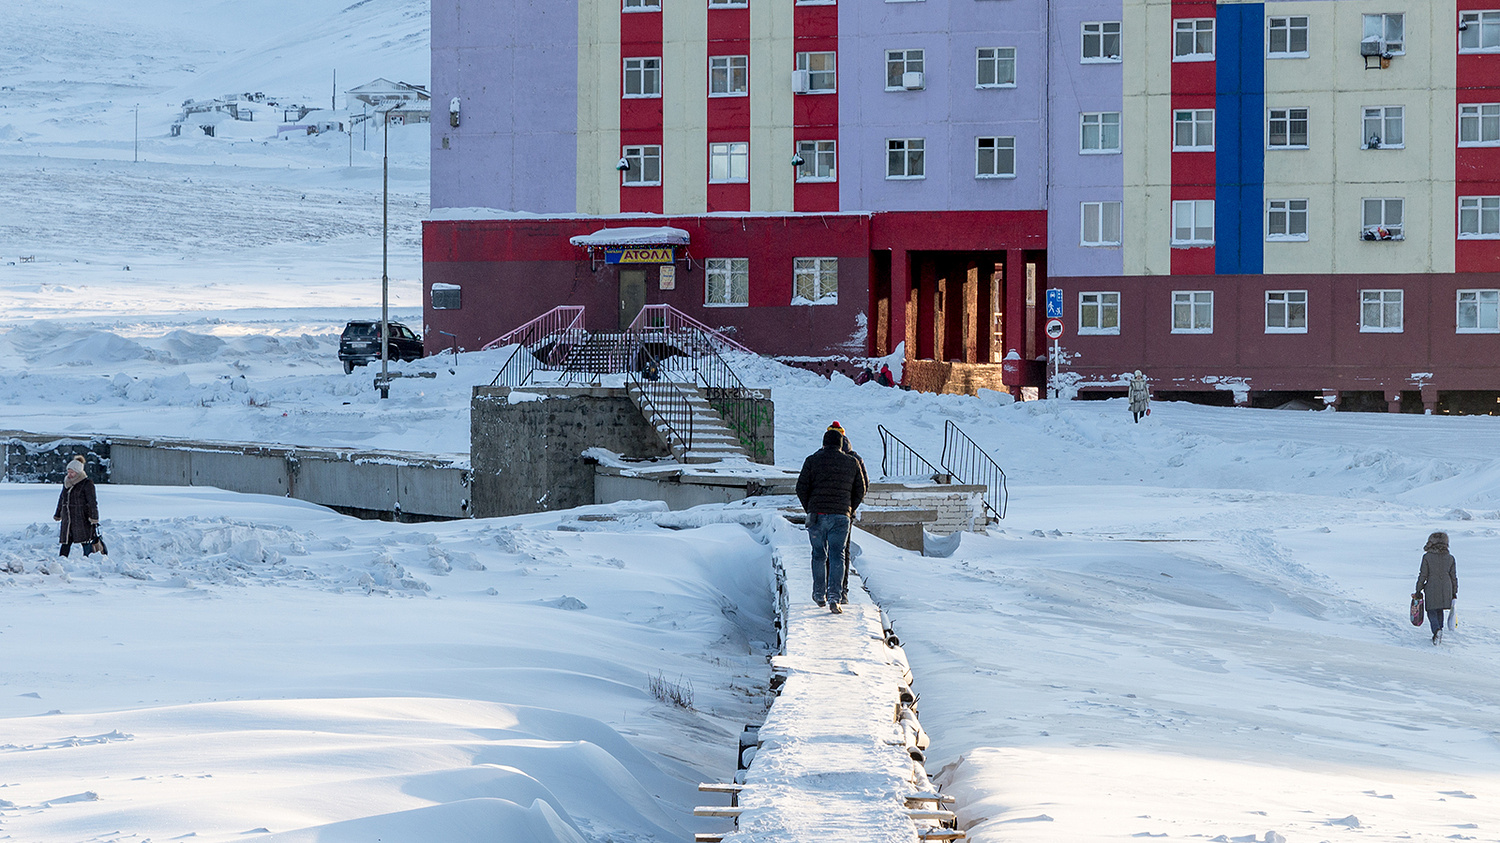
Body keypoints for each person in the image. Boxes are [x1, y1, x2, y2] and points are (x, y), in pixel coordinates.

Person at [796, 427, 867, 614]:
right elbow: (861, 489)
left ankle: (819, 594)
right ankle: (835, 598)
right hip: (841, 517)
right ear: (840, 444)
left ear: (824, 443)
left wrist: (810, 507)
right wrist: (849, 509)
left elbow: (801, 487)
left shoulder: (812, 460)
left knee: (818, 554)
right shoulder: (852, 462)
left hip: (817, 515)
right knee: (838, 555)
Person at [826, 421, 868, 603]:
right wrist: (851, 506)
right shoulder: (855, 458)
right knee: (843, 551)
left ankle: (831, 589)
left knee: (827, 551)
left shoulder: (824, 456)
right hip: (845, 513)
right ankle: (842, 590)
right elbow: (863, 486)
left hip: (826, 511)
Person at [1414, 531, 1458, 644]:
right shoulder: (1450, 558)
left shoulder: (1427, 557)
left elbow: (1423, 574)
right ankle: (1440, 631)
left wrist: (1418, 589)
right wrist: (1454, 591)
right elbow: (1453, 577)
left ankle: (1436, 630)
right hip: (1446, 587)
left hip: (1432, 586)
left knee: (1431, 610)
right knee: (1440, 610)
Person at [54, 456, 101, 558]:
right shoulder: (67, 483)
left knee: (86, 540)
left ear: (78, 472)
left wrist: (94, 517)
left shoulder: (87, 483)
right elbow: (62, 499)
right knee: (66, 541)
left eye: (72, 472)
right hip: (68, 519)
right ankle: (62, 559)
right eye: (68, 472)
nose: (69, 475)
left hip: (82, 518)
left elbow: (92, 502)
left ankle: (90, 559)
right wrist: (58, 514)